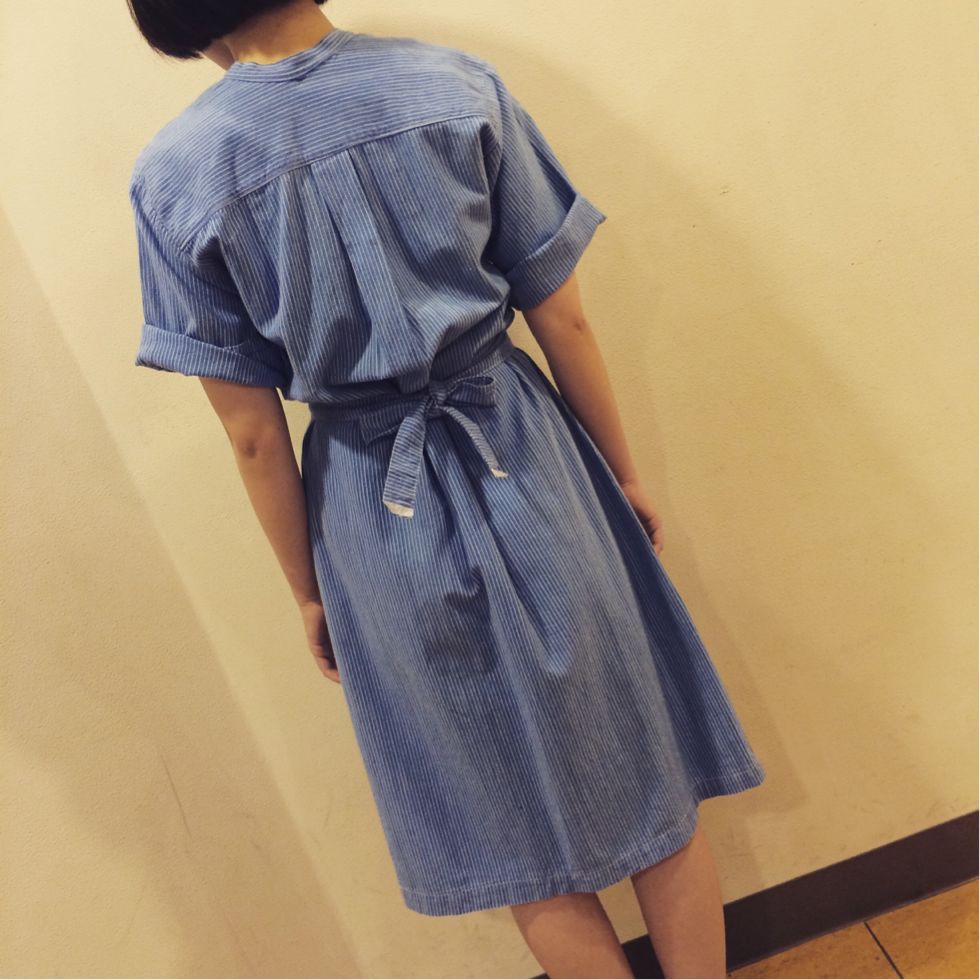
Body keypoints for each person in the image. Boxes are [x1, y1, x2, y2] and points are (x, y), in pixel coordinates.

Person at [126, 1, 767, 976]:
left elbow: (253, 435)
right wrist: (622, 473)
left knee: (508, 823)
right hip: (527, 453)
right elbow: (564, 319)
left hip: (370, 513)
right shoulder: (451, 84)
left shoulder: (174, 175)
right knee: (644, 770)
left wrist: (309, 588)